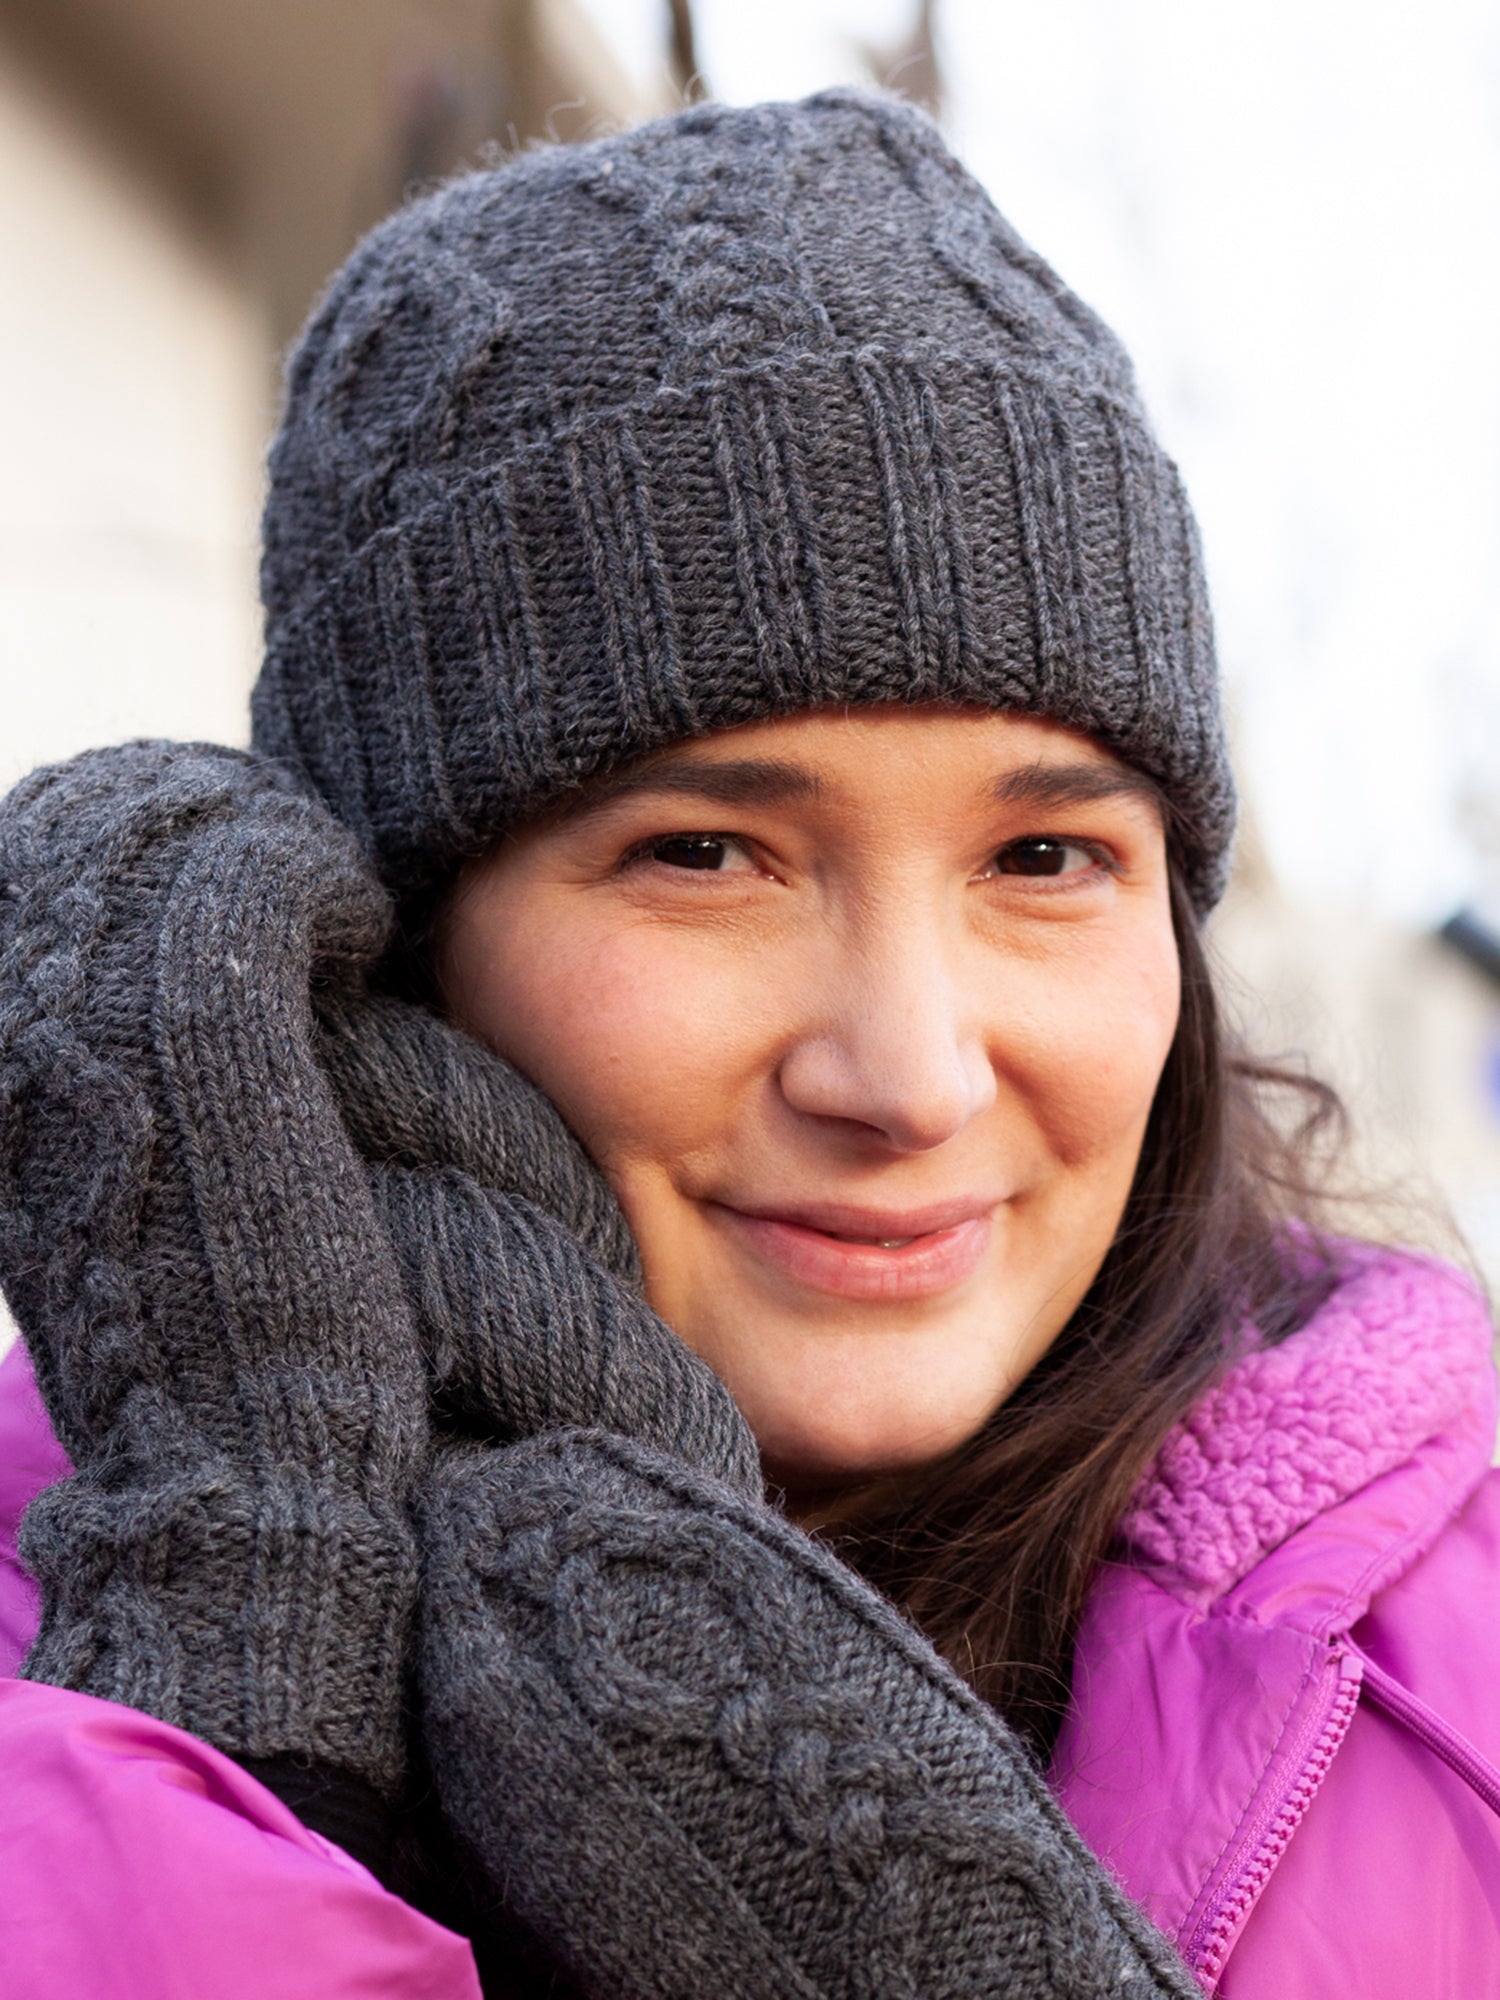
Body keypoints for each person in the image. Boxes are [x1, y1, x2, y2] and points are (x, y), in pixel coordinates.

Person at [0, 88, 1497, 2000]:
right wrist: (237, 1672)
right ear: (391, 935)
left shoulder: (1462, 1683)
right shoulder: (68, 1632)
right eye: (703, 855)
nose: (913, 1074)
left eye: (1046, 856)